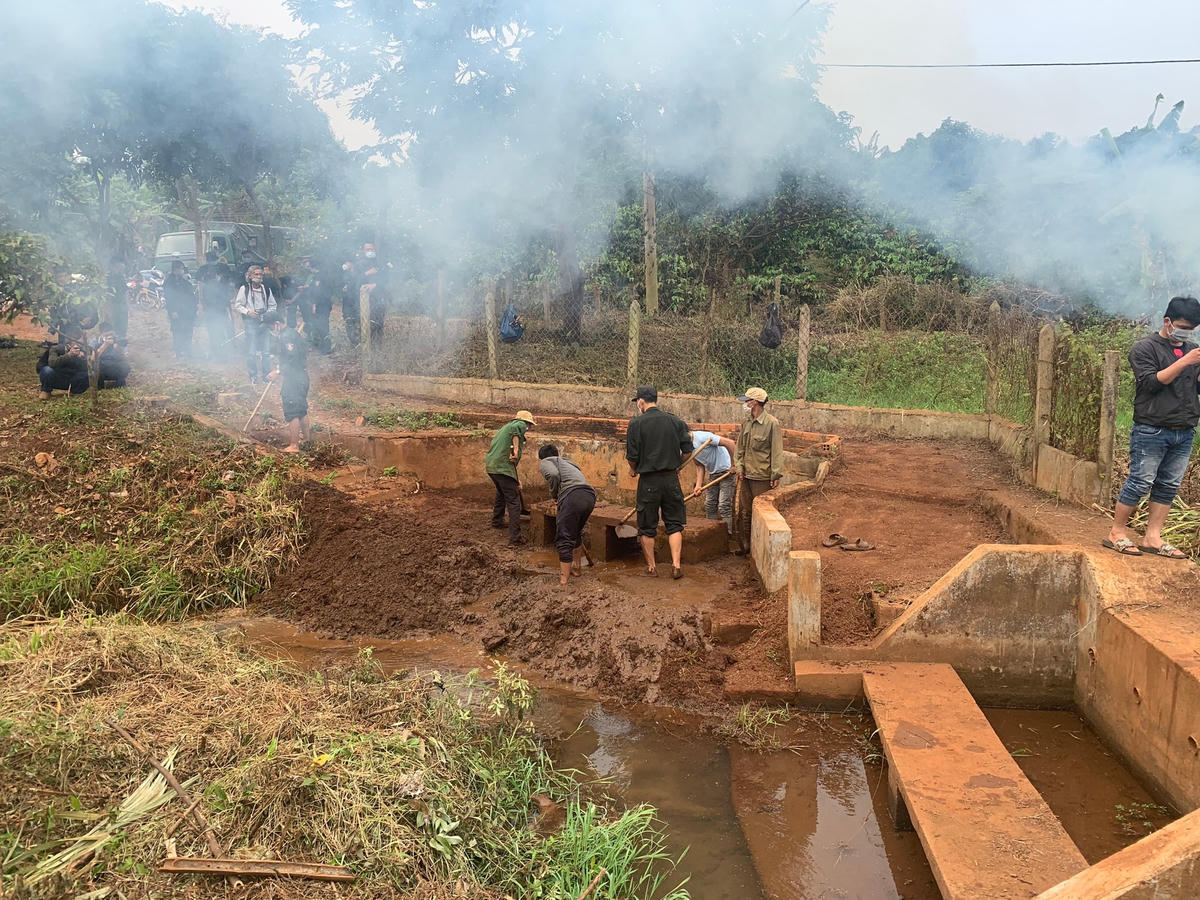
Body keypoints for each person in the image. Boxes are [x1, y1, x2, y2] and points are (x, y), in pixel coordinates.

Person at [1104, 296, 1200, 558]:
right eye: (1182, 326)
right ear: (1167, 321)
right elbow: (1151, 383)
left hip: (1184, 429)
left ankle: (1152, 537)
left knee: (1169, 484)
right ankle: (1117, 532)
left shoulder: (1193, 351)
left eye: (1192, 329)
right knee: (1140, 480)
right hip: (1152, 429)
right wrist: (1184, 362)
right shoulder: (1145, 348)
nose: (1186, 333)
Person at [626, 385, 692, 579]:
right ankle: (676, 566)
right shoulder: (675, 421)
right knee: (675, 524)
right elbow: (687, 451)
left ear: (641, 401)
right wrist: (676, 466)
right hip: (671, 479)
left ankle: (652, 569)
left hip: (648, 481)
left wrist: (634, 468)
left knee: (647, 526)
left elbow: (632, 456)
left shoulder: (636, 424)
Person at [734, 386, 784, 556]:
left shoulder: (772, 423)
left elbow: (777, 452)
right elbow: (739, 449)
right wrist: (739, 468)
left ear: (755, 402)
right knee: (745, 512)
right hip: (746, 475)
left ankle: (759, 549)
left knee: (760, 514)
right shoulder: (747, 422)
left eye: (747, 400)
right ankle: (747, 547)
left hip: (762, 477)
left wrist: (775, 474)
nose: (745, 403)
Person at [538, 444, 597, 586]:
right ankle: (576, 569)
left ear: (542, 457)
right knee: (575, 533)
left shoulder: (546, 462)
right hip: (589, 495)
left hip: (572, 496)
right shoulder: (570, 463)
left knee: (564, 537)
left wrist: (555, 495)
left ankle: (563, 581)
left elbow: (553, 475)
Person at [485, 410, 537, 546]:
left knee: (501, 494)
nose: (529, 428)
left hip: (493, 467)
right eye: (529, 425)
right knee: (514, 502)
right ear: (526, 422)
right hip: (502, 468)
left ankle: (497, 521)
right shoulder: (517, 425)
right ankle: (515, 537)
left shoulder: (504, 430)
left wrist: (515, 479)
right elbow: (516, 429)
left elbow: (511, 462)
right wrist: (515, 450)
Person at [264, 311, 310, 453]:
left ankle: (294, 445)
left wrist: (277, 372)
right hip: (302, 377)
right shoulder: (290, 334)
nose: (270, 330)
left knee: (292, 411)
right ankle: (307, 441)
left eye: (270, 327)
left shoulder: (287, 336)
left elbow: (292, 359)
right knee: (301, 410)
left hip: (294, 379)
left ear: (277, 324)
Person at [689, 428, 737, 535]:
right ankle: (713, 534)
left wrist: (734, 465)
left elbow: (730, 443)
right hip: (713, 473)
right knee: (710, 505)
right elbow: (699, 466)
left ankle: (726, 536)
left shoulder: (702, 437)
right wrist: (698, 485)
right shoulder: (687, 447)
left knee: (724, 505)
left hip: (727, 472)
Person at [234, 265, 277, 384]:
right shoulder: (245, 289)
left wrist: (267, 315)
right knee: (251, 352)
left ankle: (266, 376)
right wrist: (248, 312)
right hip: (250, 323)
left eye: (261, 274)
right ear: (250, 276)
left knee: (266, 352)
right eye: (256, 274)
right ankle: (253, 376)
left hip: (264, 322)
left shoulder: (266, 289)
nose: (259, 277)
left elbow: (273, 305)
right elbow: (238, 305)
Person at [196, 250, 235, 362]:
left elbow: (230, 279)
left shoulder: (223, 268)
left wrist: (227, 309)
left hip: (223, 305)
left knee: (227, 327)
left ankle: (231, 346)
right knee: (213, 330)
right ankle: (216, 352)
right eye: (210, 260)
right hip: (211, 308)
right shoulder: (204, 273)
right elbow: (198, 278)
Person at [37, 332, 89, 398]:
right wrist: (69, 355)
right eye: (77, 344)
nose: (79, 346)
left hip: (71, 379)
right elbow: (52, 363)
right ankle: (46, 390)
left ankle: (75, 392)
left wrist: (83, 359)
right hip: (56, 377)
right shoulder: (56, 349)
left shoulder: (82, 351)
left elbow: (86, 370)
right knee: (47, 370)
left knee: (88, 374)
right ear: (68, 345)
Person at [163, 260, 197, 359]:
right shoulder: (169, 282)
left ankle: (188, 350)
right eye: (181, 269)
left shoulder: (184, 281)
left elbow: (191, 295)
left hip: (187, 311)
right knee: (177, 331)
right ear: (175, 270)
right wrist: (173, 311)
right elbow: (169, 298)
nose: (182, 271)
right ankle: (178, 352)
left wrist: (195, 309)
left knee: (188, 330)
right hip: (176, 312)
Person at [359, 242, 390, 349]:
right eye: (367, 249)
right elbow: (355, 280)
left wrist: (375, 285)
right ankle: (368, 347)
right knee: (367, 324)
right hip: (365, 300)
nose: (369, 251)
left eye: (371, 249)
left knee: (379, 323)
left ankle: (378, 348)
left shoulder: (380, 263)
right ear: (363, 251)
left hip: (380, 297)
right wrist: (367, 273)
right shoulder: (360, 264)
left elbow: (386, 278)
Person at [89, 322, 131, 388]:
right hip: (101, 368)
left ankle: (120, 384)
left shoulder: (118, 340)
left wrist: (117, 348)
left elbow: (125, 357)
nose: (110, 336)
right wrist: (105, 344)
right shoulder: (95, 341)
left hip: (115, 366)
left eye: (112, 334)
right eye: (107, 335)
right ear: (101, 334)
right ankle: (100, 386)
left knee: (125, 367)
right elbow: (92, 359)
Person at [105, 256, 128, 341]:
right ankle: (114, 342)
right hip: (113, 304)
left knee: (123, 324)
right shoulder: (108, 277)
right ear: (112, 266)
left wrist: (128, 306)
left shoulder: (121, 277)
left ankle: (122, 341)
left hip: (122, 304)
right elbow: (107, 295)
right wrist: (108, 308)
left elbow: (125, 291)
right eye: (117, 267)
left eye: (120, 267)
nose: (119, 269)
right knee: (114, 324)